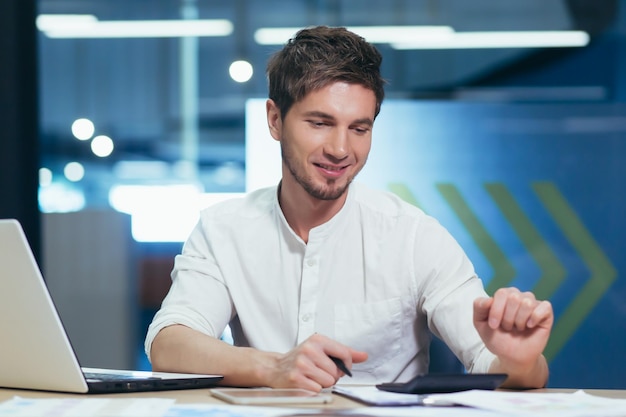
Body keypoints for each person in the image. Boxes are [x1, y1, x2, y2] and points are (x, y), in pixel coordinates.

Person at [145, 25, 553, 392]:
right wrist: (272, 367)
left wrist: (519, 361)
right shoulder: (223, 229)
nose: (341, 149)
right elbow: (169, 343)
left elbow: (498, 367)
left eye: (359, 128)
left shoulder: (413, 236)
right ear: (275, 120)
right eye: (320, 123)